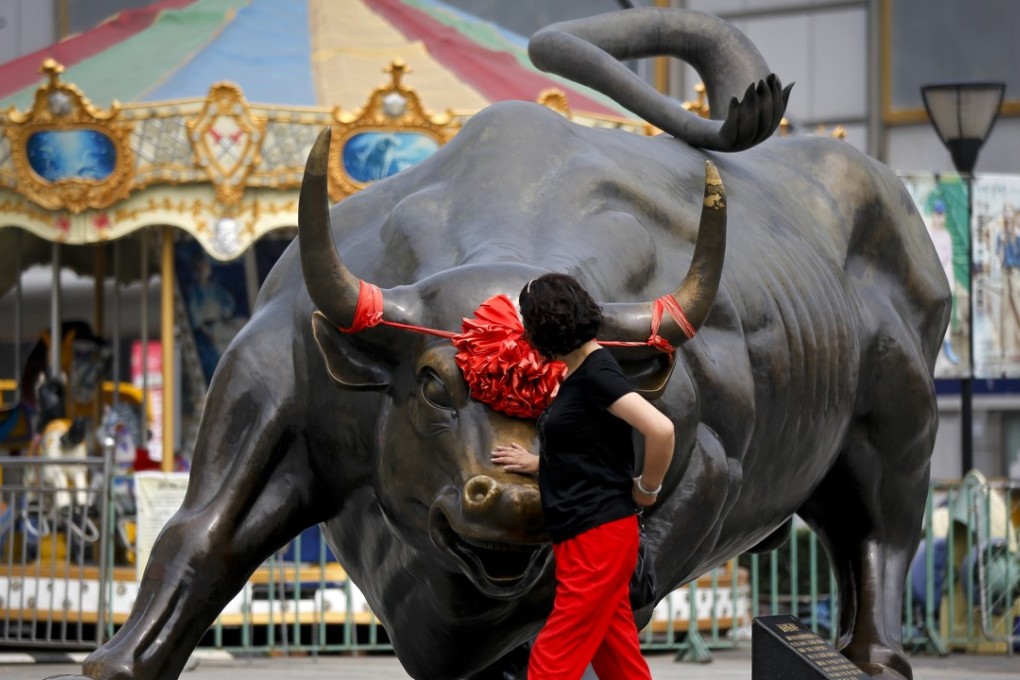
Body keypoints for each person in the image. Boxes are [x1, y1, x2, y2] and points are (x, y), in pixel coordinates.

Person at [491, 272, 675, 680]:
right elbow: (593, 451)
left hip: (599, 535)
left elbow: (660, 430)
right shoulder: (581, 372)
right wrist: (539, 464)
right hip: (584, 533)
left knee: (552, 658)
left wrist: (647, 489)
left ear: (543, 325)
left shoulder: (596, 373)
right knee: (618, 659)